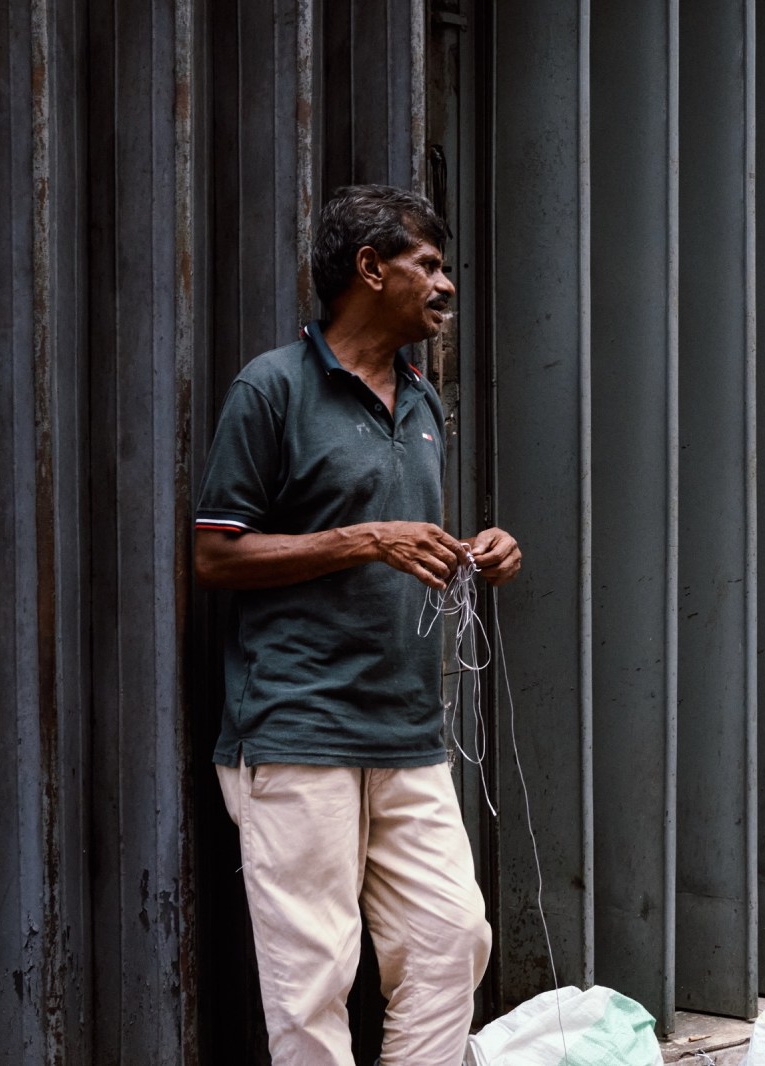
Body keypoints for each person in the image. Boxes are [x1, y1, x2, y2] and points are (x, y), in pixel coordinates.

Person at [194, 183, 521, 1065]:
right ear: (369, 270)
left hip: (407, 733)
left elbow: (399, 544)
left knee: (455, 938)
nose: (444, 283)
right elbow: (216, 556)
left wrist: (474, 551)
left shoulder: (421, 401)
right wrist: (364, 539)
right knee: (314, 982)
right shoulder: (271, 389)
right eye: (427, 264)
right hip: (299, 730)